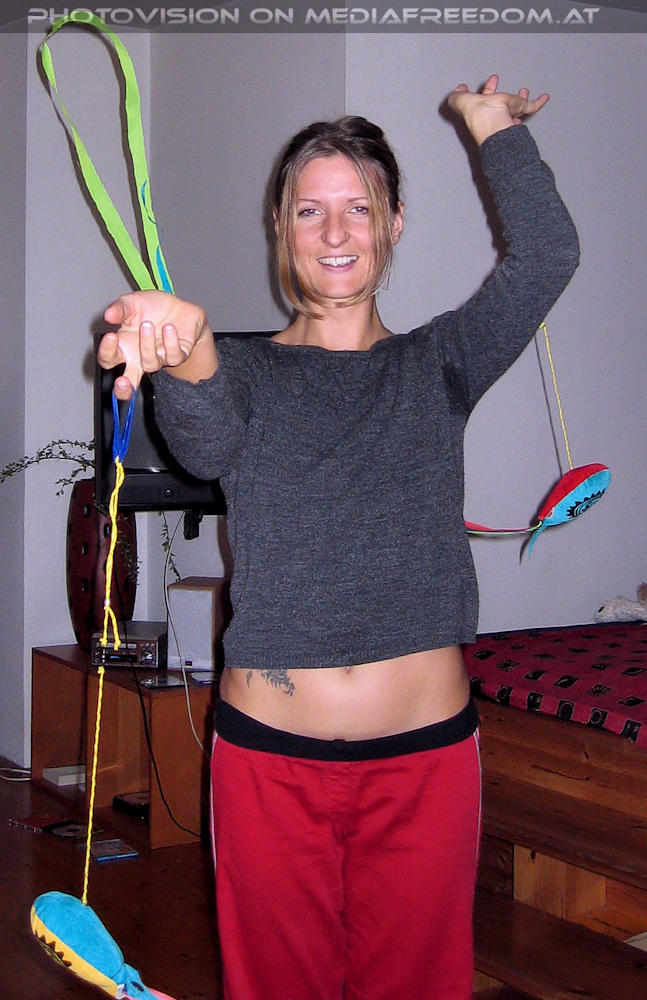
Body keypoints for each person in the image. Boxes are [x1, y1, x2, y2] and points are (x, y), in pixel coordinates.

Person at [98, 75, 579, 1000]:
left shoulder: (439, 361)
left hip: (426, 762)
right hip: (269, 765)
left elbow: (548, 255)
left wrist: (490, 126)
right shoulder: (240, 369)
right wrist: (187, 351)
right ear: (281, 230)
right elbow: (202, 442)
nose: (333, 232)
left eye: (357, 207)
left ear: (392, 223)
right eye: (309, 210)